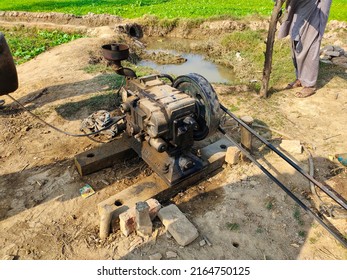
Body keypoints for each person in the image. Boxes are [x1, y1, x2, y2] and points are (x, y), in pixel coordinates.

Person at [278, 0, 332, 97]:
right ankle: (300, 77)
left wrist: (321, 22)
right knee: (295, 40)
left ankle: (309, 84)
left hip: (313, 9)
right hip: (297, 6)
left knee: (310, 43)